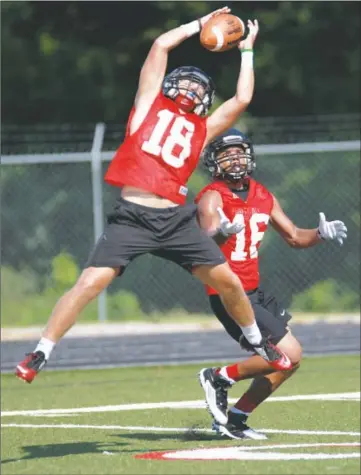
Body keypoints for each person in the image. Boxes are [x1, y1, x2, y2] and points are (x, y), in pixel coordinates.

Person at [15, 8, 290, 385]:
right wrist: (198, 24)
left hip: (176, 219)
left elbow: (242, 98)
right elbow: (160, 44)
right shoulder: (147, 107)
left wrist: (246, 52)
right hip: (133, 216)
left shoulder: (202, 130)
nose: (192, 89)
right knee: (90, 283)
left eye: (199, 87)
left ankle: (259, 343)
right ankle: (41, 352)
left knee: (228, 281)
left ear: (206, 98)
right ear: (170, 85)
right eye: (187, 83)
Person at [195, 128, 348, 440]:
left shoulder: (263, 194)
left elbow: (293, 236)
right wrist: (223, 230)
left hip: (254, 290)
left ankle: (236, 418)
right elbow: (205, 240)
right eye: (227, 153)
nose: (235, 158)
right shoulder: (211, 196)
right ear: (215, 162)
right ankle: (218, 377)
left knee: (290, 361)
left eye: (240, 151)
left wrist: (319, 234)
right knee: (285, 355)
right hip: (228, 292)